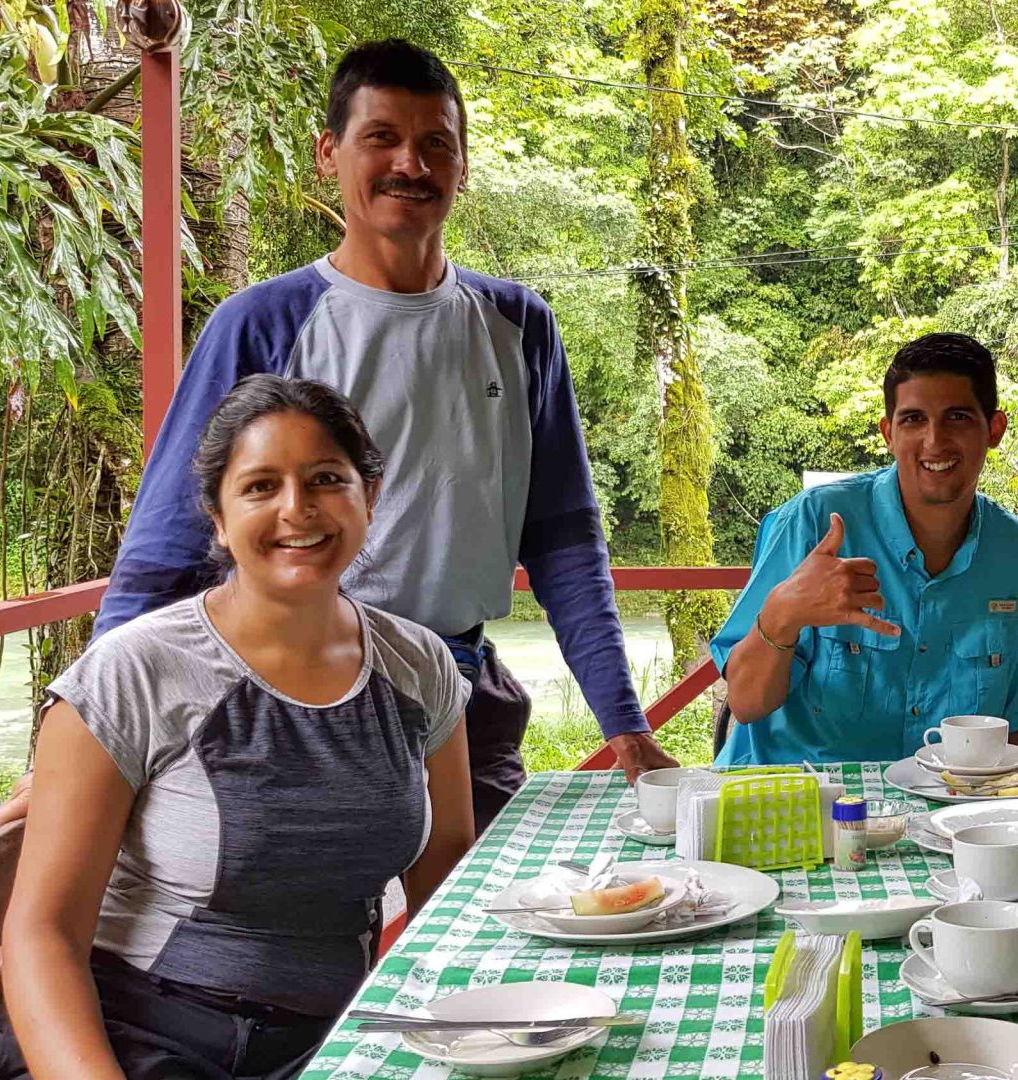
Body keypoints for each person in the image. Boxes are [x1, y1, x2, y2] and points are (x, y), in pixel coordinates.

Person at [85, 39, 672, 827]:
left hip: (464, 695)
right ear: (330, 153)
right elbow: (167, 542)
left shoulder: (517, 325)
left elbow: (564, 536)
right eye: (382, 139)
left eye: (437, 143)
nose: (412, 165)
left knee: (492, 927)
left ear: (463, 164)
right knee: (320, 940)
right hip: (294, 697)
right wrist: (84, 727)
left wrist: (625, 726)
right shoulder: (265, 323)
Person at [0, 376, 475, 1080]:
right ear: (217, 515)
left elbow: (445, 867)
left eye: (327, 478)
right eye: (261, 486)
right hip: (132, 1039)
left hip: (325, 1045)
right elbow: (42, 934)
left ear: (370, 496)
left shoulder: (418, 665)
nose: (297, 510)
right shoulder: (135, 672)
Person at [711, 332, 1018, 765]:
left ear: (994, 429)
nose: (934, 441)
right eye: (913, 419)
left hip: (944, 810)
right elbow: (747, 703)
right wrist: (784, 614)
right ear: (888, 432)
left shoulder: (1015, 551)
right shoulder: (817, 523)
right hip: (800, 801)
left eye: (957, 417)